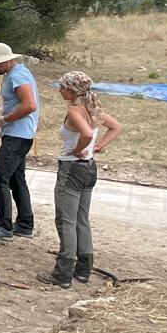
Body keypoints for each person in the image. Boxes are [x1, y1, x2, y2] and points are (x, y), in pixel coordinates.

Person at [37, 72, 124, 287]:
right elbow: (116, 127)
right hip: (89, 168)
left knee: (66, 220)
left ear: (72, 90)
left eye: (62, 87)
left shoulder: (74, 111)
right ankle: (83, 268)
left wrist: (78, 149)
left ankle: (63, 272)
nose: (59, 90)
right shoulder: (93, 108)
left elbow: (85, 134)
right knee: (82, 218)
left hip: (71, 168)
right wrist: (99, 146)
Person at [0, 43, 39, 241]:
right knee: (16, 179)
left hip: (17, 136)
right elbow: (20, 104)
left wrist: (6, 120)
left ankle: (4, 226)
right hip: (20, 134)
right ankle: (25, 224)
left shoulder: (18, 75)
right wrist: (0, 117)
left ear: (4, 60)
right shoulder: (17, 73)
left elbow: (29, 105)